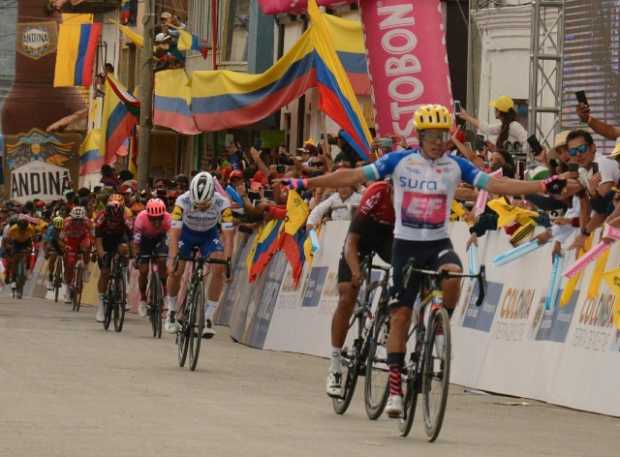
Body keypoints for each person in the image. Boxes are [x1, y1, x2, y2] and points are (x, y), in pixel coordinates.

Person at [283, 104, 567, 418]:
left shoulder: (456, 165)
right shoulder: (399, 161)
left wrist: (541, 185)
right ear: (420, 136)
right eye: (431, 135)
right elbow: (351, 174)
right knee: (401, 316)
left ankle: (439, 328)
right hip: (405, 245)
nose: (438, 140)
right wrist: (308, 184)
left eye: (443, 134)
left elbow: (496, 185)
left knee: (454, 275)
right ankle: (394, 390)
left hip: (437, 242)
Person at [325, 180, 395, 397]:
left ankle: (387, 319)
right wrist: (355, 271)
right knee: (347, 295)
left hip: (390, 238)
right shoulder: (376, 194)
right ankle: (335, 364)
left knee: (408, 271)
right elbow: (351, 244)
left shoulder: (415, 198)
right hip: (361, 237)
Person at [165, 172, 234, 337]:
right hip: (186, 235)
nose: (201, 207)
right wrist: (173, 257)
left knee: (219, 266)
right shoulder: (182, 201)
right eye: (197, 204)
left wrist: (228, 262)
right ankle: (172, 311)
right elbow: (174, 233)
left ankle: (208, 317)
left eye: (204, 204)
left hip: (209, 235)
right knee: (176, 270)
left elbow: (228, 237)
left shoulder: (222, 202)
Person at [94, 195, 133, 322]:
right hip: (104, 240)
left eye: (117, 220)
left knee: (124, 249)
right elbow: (98, 242)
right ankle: (101, 304)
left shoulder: (126, 217)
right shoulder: (101, 218)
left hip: (119, 238)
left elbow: (131, 239)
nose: (114, 223)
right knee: (104, 272)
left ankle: (123, 277)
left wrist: (131, 254)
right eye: (112, 220)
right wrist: (103, 255)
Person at [132, 199, 171, 317]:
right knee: (143, 271)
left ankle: (165, 294)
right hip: (145, 241)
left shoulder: (169, 219)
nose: (157, 222)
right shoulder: (140, 219)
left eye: (159, 218)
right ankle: (143, 299)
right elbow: (136, 243)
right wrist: (136, 257)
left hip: (161, 239)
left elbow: (172, 239)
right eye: (153, 219)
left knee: (162, 261)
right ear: (148, 215)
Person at [458, 96, 528, 151]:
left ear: (499, 111)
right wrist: (466, 116)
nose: (494, 111)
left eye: (495, 109)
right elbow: (487, 128)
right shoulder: (504, 126)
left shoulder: (514, 126)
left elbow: (527, 142)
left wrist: (516, 156)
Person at [62, 207, 93, 303]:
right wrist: (65, 246)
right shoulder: (66, 222)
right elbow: (62, 237)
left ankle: (86, 267)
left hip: (83, 238)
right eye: (75, 220)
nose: (78, 222)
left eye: (80, 220)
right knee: (70, 264)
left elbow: (93, 234)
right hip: (71, 240)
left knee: (88, 246)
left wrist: (93, 245)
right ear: (71, 217)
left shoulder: (88, 222)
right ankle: (67, 289)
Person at [2, 216, 35, 292]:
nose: (23, 231)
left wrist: (29, 248)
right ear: (18, 227)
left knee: (30, 252)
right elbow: (7, 240)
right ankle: (13, 281)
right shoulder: (12, 229)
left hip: (27, 240)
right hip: (16, 241)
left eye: (24, 229)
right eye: (21, 229)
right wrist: (8, 248)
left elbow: (32, 239)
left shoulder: (30, 229)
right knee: (15, 260)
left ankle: (27, 269)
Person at [44, 216, 64, 291]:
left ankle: (62, 274)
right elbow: (47, 242)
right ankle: (50, 277)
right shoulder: (50, 229)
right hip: (51, 244)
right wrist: (46, 252)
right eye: (57, 228)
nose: (58, 229)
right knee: (52, 258)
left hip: (59, 243)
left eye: (60, 228)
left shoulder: (64, 230)